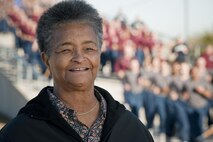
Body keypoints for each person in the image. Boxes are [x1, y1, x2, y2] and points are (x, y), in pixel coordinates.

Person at [0, 1, 154, 142]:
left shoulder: (132, 128)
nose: (79, 58)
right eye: (66, 50)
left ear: (99, 54)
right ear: (46, 60)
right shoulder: (19, 134)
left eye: (89, 49)